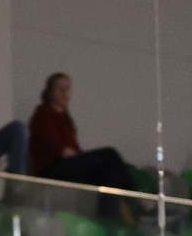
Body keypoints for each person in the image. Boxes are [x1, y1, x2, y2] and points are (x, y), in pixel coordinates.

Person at [26, 72, 138, 203]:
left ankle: (110, 213)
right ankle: (137, 197)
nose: (64, 93)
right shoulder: (42, 113)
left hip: (67, 164)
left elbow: (72, 148)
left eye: (67, 89)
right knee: (109, 154)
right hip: (51, 169)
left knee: (109, 170)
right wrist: (70, 154)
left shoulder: (65, 118)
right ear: (50, 91)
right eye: (59, 88)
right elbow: (51, 144)